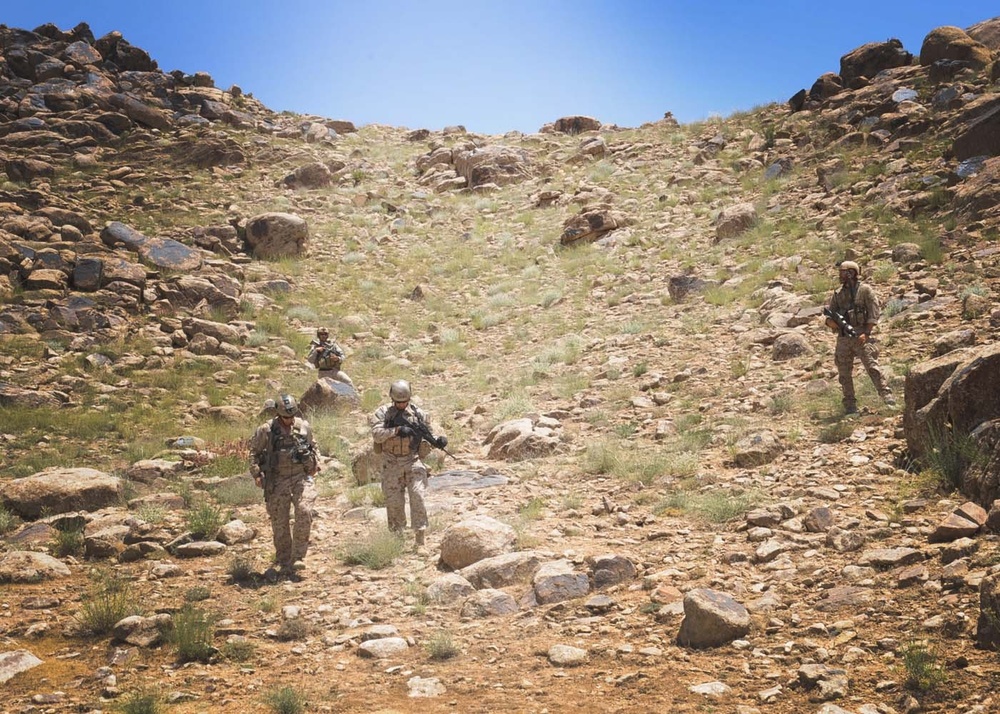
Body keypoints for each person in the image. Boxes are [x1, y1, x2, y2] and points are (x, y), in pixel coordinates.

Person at [370, 380, 447, 549]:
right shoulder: (382, 413)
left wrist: (438, 441)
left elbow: (429, 432)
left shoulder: (418, 413)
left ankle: (420, 540)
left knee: (418, 496)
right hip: (391, 463)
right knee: (394, 502)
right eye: (398, 402)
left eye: (404, 402)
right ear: (392, 399)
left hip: (412, 461)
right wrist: (396, 431)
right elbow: (376, 434)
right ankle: (396, 541)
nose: (402, 405)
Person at [249, 394, 318, 579]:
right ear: (278, 415)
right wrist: (257, 474)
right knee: (279, 521)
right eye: (285, 417)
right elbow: (253, 453)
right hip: (277, 479)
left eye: (291, 416)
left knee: (304, 511)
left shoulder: (303, 426)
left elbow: (313, 447)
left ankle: (298, 557)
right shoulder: (266, 430)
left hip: (300, 477)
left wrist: (314, 463)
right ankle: (283, 559)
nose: (289, 420)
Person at [825, 260, 896, 415]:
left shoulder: (864, 290)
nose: (840, 275)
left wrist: (867, 333)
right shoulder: (838, 294)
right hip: (844, 338)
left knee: (872, 367)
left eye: (843, 272)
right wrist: (833, 323)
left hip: (861, 334)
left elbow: (873, 312)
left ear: (852, 273)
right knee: (844, 373)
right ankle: (850, 405)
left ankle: (887, 396)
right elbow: (830, 316)